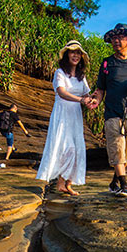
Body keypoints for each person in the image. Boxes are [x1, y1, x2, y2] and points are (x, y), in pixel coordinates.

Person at [85, 23, 127, 197]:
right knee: (116, 148)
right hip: (112, 113)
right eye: (114, 38)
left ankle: (114, 181)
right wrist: (96, 100)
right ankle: (124, 185)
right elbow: (100, 89)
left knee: (125, 153)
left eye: (120, 37)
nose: (116, 41)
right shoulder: (107, 63)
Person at [36, 40, 92, 195]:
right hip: (62, 113)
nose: (75, 55)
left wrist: (90, 100)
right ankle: (61, 183)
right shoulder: (59, 72)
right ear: (67, 54)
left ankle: (67, 183)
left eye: (78, 53)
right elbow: (61, 92)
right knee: (66, 147)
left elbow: (86, 94)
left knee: (76, 148)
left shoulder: (81, 76)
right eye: (72, 52)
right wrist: (80, 100)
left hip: (75, 115)